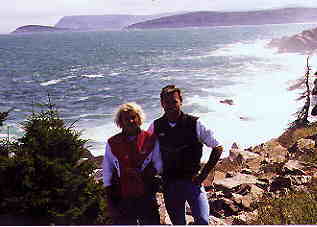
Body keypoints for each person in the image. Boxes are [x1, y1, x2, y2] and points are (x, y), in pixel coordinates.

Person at [148, 85, 223, 225]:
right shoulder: (156, 126)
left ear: (181, 101)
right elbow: (145, 152)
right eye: (167, 102)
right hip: (170, 184)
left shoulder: (194, 123)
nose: (170, 106)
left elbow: (218, 147)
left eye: (174, 102)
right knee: (178, 224)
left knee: (202, 220)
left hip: (193, 182)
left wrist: (203, 175)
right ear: (162, 103)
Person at [102, 102, 162, 225]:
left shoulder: (150, 139)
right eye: (126, 119)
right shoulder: (112, 142)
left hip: (146, 192)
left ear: (139, 119)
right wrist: (109, 198)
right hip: (122, 194)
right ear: (120, 122)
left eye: (133, 117)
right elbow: (107, 170)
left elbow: (159, 163)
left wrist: (150, 173)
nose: (130, 121)